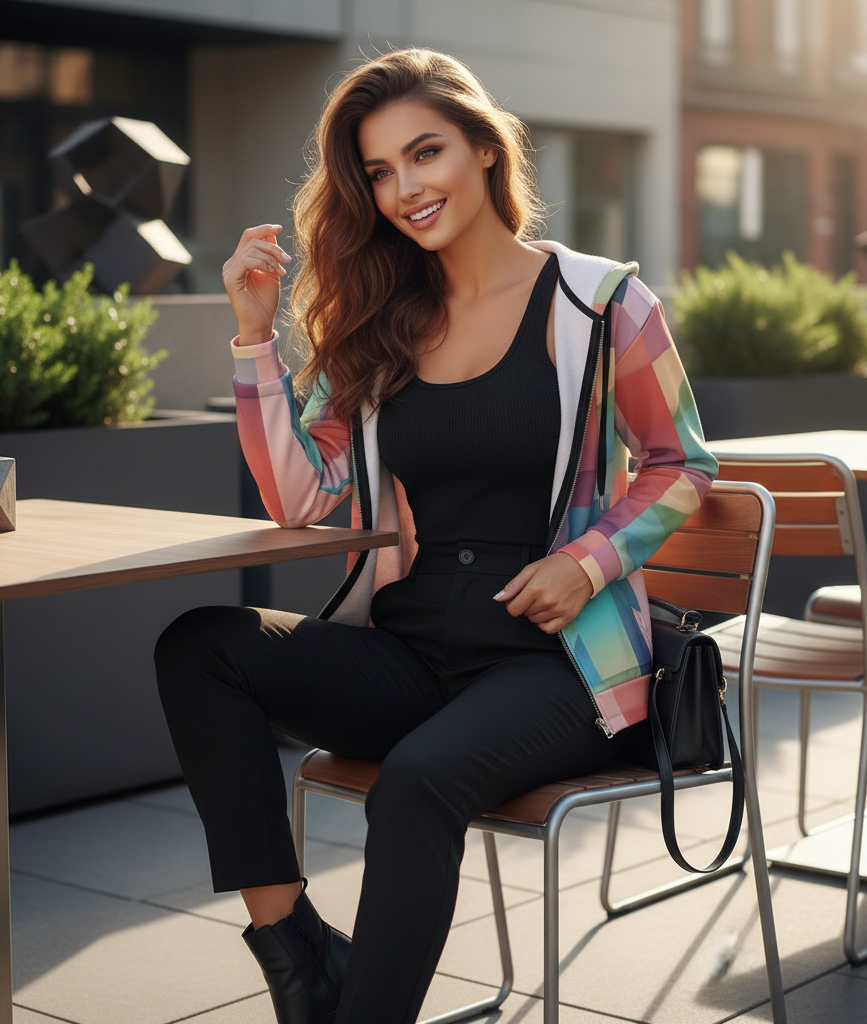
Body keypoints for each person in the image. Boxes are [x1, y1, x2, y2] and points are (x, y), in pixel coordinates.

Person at [155, 47, 718, 1024]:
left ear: (484, 150)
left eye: (425, 153)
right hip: (414, 651)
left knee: (414, 785)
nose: (405, 188)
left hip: (557, 662)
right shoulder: (381, 321)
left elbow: (683, 465)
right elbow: (301, 496)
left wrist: (586, 565)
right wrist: (254, 340)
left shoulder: (601, 304)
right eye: (379, 171)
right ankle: (298, 955)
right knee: (201, 646)